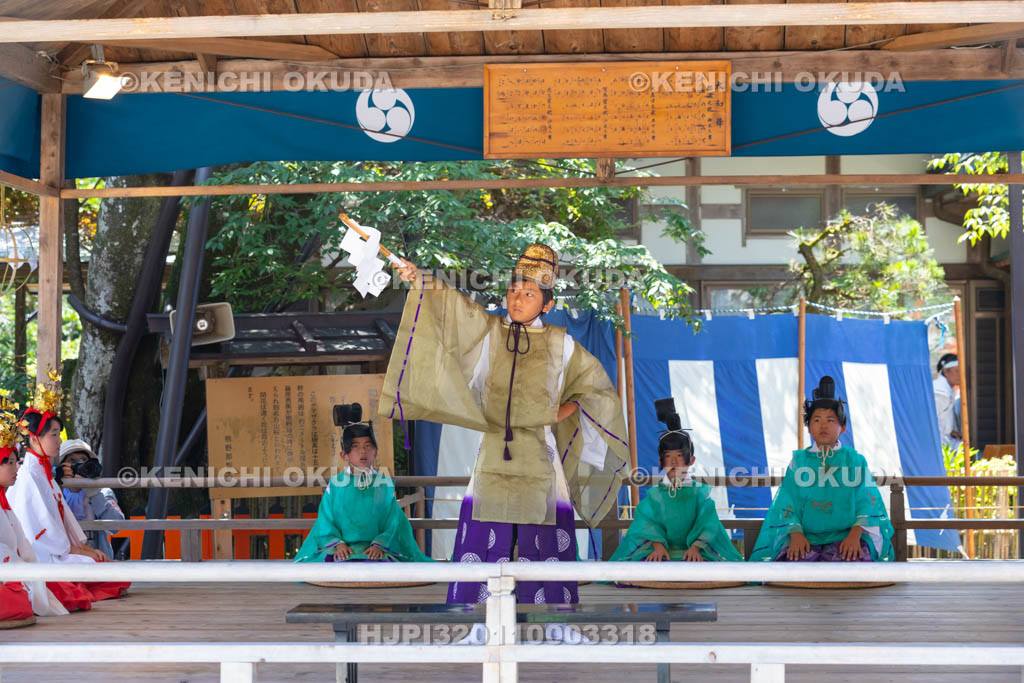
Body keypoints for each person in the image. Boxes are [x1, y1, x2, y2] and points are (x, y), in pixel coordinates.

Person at [384, 244, 629, 604]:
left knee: (545, 541)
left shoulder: (563, 345)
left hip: (541, 453)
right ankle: (475, 619)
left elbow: (596, 390)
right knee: (482, 538)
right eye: (513, 290)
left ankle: (555, 620)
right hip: (493, 451)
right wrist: (419, 281)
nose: (517, 298)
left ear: (547, 304)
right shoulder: (488, 333)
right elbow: (452, 313)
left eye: (529, 294)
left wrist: (564, 410)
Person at [9, 370, 129, 600]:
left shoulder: (45, 476)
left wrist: (84, 549)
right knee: (111, 577)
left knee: (114, 573)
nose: (59, 440)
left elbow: (62, 525)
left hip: (62, 551)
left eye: (58, 434)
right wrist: (80, 550)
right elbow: (41, 535)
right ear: (35, 439)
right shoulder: (28, 478)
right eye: (54, 435)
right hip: (48, 556)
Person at [750, 375, 894, 563]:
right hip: (804, 536)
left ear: (842, 427)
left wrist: (855, 535)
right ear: (809, 427)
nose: (823, 425)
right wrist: (795, 534)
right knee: (793, 565)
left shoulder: (855, 461)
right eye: (816, 420)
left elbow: (867, 502)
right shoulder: (798, 461)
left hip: (848, 535)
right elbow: (787, 501)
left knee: (851, 562)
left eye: (830, 420)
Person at [294, 407, 431, 563]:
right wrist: (338, 545)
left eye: (367, 446)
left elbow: (393, 521)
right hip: (342, 548)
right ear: (344, 455)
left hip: (375, 549)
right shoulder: (336, 484)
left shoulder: (384, 484)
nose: (363, 452)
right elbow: (326, 519)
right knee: (336, 565)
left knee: (380, 566)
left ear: (375, 452)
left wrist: (380, 545)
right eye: (355, 447)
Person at [609, 414, 742, 563]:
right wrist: (657, 546)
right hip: (661, 552)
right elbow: (645, 521)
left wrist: (696, 548)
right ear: (661, 460)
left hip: (693, 553)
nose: (673, 461)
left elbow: (709, 523)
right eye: (668, 456)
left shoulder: (699, 494)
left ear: (691, 460)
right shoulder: (656, 496)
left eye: (679, 455)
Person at [0, 400, 71, 619]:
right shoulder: (30, 475)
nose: (16, 468)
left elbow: (20, 545)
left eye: (15, 461)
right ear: (34, 438)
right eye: (9, 463)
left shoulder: (5, 501)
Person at [58, 439, 125, 561]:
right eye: (72, 461)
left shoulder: (103, 492)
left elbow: (117, 526)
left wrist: (94, 494)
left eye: (84, 460)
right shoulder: (55, 494)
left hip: (99, 561)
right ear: (62, 466)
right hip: (65, 562)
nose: (79, 464)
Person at [933, 353, 963, 451]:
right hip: (937, 443)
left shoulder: (948, 390)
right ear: (946, 372)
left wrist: (951, 431)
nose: (960, 375)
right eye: (957, 371)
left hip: (946, 439)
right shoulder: (939, 392)